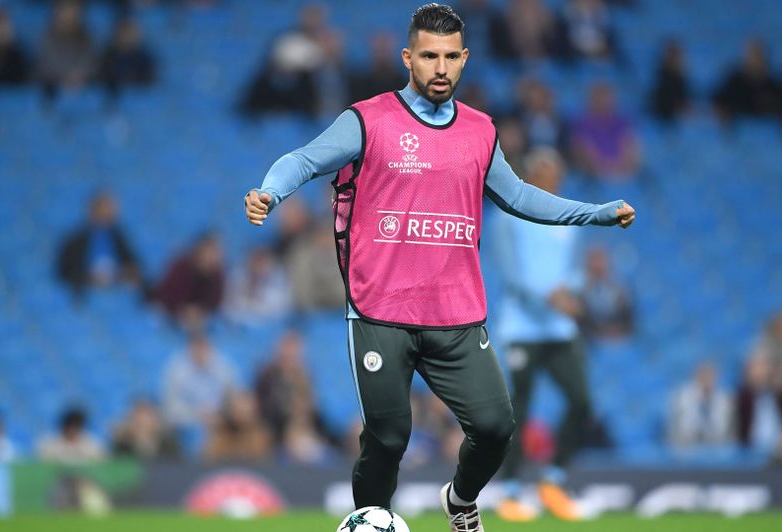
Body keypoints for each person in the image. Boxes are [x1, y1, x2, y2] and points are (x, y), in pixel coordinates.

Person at [243, 5, 634, 530]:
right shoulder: (368, 120)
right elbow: (304, 159)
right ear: (409, 58)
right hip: (380, 310)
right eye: (429, 56)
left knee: (496, 427)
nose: (441, 67)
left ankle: (461, 498)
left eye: (451, 56)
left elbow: (518, 196)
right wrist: (270, 191)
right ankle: (371, 521)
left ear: (465, 59)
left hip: (455, 314)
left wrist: (594, 213)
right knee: (388, 435)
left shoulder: (480, 131)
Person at [491, 147, 592, 522]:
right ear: (532, 176)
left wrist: (574, 292)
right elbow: (511, 273)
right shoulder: (509, 215)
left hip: (559, 329)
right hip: (522, 327)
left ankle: (554, 477)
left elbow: (577, 270)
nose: (554, 181)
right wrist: (550, 297)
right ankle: (512, 487)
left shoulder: (569, 217)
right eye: (546, 173)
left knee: (582, 401)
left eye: (557, 174)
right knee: (518, 408)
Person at [56, 191, 143, 301]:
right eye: (104, 210)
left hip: (117, 289)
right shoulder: (75, 241)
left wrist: (121, 275)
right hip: (85, 292)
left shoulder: (120, 238)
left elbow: (134, 266)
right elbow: (64, 272)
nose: (108, 214)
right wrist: (89, 277)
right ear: (93, 211)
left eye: (110, 210)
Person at [571, 82, 641, 181]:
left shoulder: (621, 124)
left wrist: (619, 167)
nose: (604, 103)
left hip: (622, 175)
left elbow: (630, 150)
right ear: (592, 101)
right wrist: (605, 168)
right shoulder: (582, 125)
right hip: (595, 177)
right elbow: (584, 152)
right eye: (600, 99)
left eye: (607, 99)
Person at [156, 232, 225, 327]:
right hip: (173, 317)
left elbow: (216, 302)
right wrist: (183, 311)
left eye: (215, 252)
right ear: (200, 251)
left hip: (203, 320)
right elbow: (166, 295)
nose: (212, 256)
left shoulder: (218, 274)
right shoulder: (181, 268)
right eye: (209, 252)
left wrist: (201, 312)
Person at [36, 0, 97, 105]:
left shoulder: (85, 35)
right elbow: (47, 61)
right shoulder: (48, 35)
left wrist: (78, 75)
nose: (69, 15)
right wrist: (64, 78)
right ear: (58, 12)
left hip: (82, 85)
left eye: (73, 11)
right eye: (66, 10)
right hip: (53, 86)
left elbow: (89, 59)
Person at [667, 362, 734, 448]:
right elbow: (675, 430)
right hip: (687, 448)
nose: (706, 381)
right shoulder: (682, 398)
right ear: (696, 377)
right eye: (703, 376)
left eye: (710, 377)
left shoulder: (723, 400)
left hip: (715, 448)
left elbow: (726, 433)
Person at [712, 39, 781, 121]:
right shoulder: (734, 82)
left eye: (760, 56)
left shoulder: (772, 86)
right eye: (753, 57)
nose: (757, 61)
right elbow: (717, 101)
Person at [578, 246, 634, 341]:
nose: (597, 265)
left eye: (600, 260)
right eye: (593, 260)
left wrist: (612, 332)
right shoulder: (581, 291)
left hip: (618, 339)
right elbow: (582, 322)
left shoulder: (620, 290)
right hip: (591, 341)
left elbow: (628, 321)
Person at [100, 18, 156, 102]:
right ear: (116, 34)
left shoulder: (144, 57)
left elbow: (149, 79)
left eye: (130, 33)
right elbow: (103, 77)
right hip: (113, 97)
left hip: (138, 98)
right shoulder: (107, 55)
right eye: (124, 33)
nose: (127, 37)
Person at [111, 399, 181, 461]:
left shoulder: (169, 447)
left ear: (155, 421)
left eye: (146, 417)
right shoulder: (122, 448)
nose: (142, 422)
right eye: (137, 417)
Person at [37, 407, 106, 464]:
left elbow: (100, 462)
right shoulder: (50, 443)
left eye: (76, 426)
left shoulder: (91, 443)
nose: (72, 430)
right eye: (70, 426)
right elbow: (43, 463)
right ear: (64, 426)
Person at [648, 39, 689, 123]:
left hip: (673, 117)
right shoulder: (660, 78)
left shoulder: (682, 80)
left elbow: (685, 101)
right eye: (672, 56)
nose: (677, 60)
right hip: (661, 115)